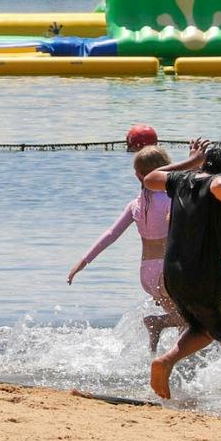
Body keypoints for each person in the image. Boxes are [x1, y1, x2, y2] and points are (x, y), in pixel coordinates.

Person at [146, 139, 221, 417]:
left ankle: (165, 360)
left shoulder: (183, 180)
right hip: (205, 276)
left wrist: (190, 163)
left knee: (205, 329)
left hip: (174, 275)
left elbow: (150, 178)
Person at [67, 144, 184, 353]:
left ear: (138, 175)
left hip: (147, 274)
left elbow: (111, 234)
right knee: (192, 319)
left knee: (180, 320)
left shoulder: (135, 204)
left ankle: (170, 361)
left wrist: (83, 261)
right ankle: (156, 324)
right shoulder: (170, 200)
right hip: (167, 271)